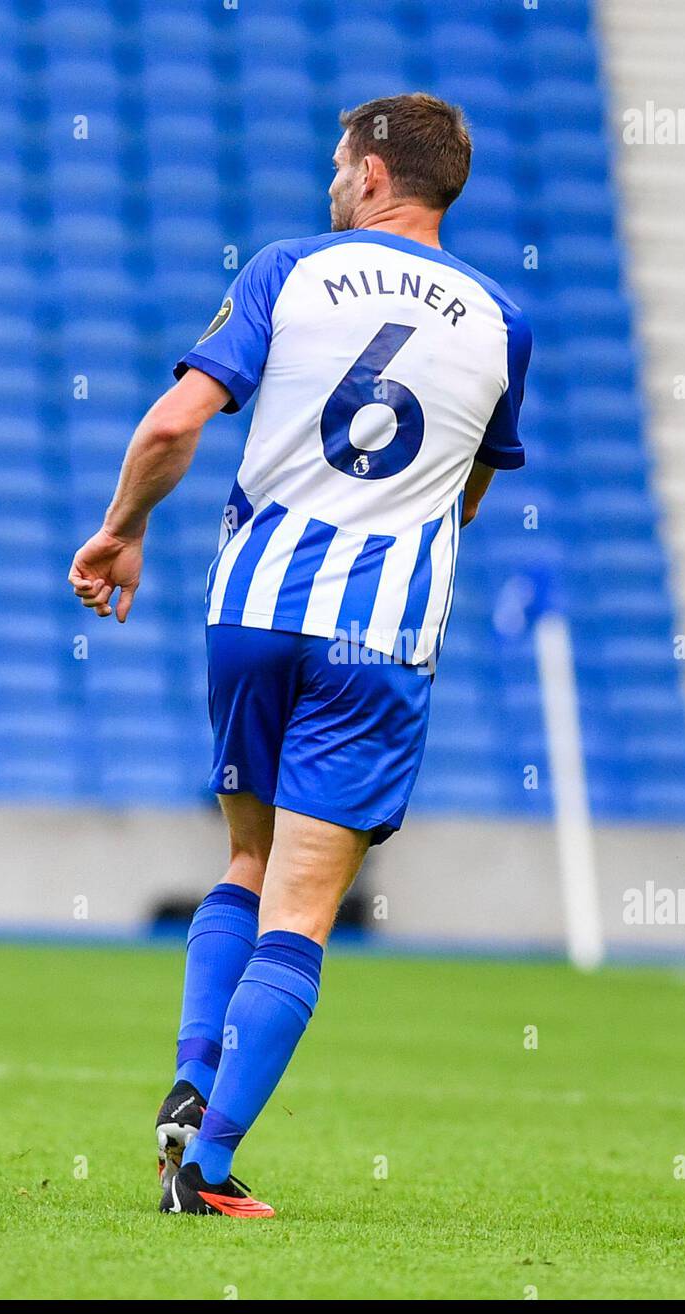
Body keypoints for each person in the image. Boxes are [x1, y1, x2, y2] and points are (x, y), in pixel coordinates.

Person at [69, 93, 532, 1218]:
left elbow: (176, 422)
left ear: (374, 177)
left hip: (252, 612)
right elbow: (469, 488)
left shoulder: (289, 269)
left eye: (340, 162)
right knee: (302, 908)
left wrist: (122, 528)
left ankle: (189, 1084)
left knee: (243, 862)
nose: (333, 178)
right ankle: (208, 1163)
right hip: (377, 638)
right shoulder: (500, 319)